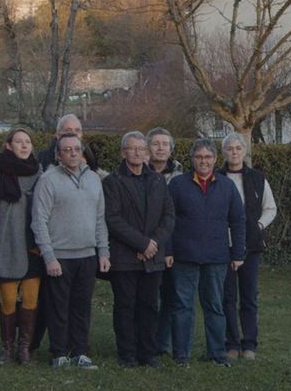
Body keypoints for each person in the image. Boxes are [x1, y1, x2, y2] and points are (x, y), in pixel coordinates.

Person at [31, 133, 111, 370]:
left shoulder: (94, 179)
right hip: (60, 256)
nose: (73, 153)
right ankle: (59, 353)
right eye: (67, 150)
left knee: (81, 306)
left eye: (76, 149)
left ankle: (80, 352)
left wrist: (103, 251)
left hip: (87, 254)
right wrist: (49, 256)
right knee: (58, 307)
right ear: (58, 154)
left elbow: (100, 218)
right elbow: (39, 221)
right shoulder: (48, 180)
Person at [167, 139, 246, 367]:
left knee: (215, 305)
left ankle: (217, 354)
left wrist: (238, 253)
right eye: (199, 157)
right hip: (184, 256)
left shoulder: (227, 186)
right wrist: (168, 250)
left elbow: (238, 221)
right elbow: (168, 221)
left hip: (216, 257)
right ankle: (181, 355)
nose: (204, 161)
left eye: (208, 157)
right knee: (183, 306)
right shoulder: (178, 185)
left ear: (215, 159)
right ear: (192, 159)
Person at [103, 132, 175, 367]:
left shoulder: (157, 180)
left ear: (147, 152)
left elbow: (168, 216)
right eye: (132, 149)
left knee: (149, 306)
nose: (137, 153)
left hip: (153, 257)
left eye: (141, 149)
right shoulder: (112, 182)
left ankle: (148, 352)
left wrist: (153, 244)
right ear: (123, 152)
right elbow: (113, 219)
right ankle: (128, 353)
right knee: (125, 306)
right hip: (125, 257)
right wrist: (141, 243)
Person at [219, 132, 277, 361]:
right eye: (230, 149)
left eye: (238, 148)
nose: (234, 152)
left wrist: (258, 225)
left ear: (244, 151)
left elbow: (270, 208)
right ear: (224, 152)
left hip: (251, 246)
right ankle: (231, 343)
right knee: (227, 297)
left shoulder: (257, 178)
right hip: (223, 246)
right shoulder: (216, 177)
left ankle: (250, 344)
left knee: (249, 297)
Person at [0, 127, 43, 364]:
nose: (24, 145)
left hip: (33, 244)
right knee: (9, 298)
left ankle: (25, 348)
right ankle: (7, 348)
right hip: (8, 243)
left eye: (27, 142)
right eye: (18, 142)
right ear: (8, 146)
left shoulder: (40, 173)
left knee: (31, 298)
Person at [147, 127, 185, 357]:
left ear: (171, 149)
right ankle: (144, 338)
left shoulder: (181, 177)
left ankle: (162, 342)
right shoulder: (137, 171)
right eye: (156, 143)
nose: (160, 148)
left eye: (165, 144)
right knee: (148, 298)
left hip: (172, 245)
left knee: (170, 296)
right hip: (144, 245)